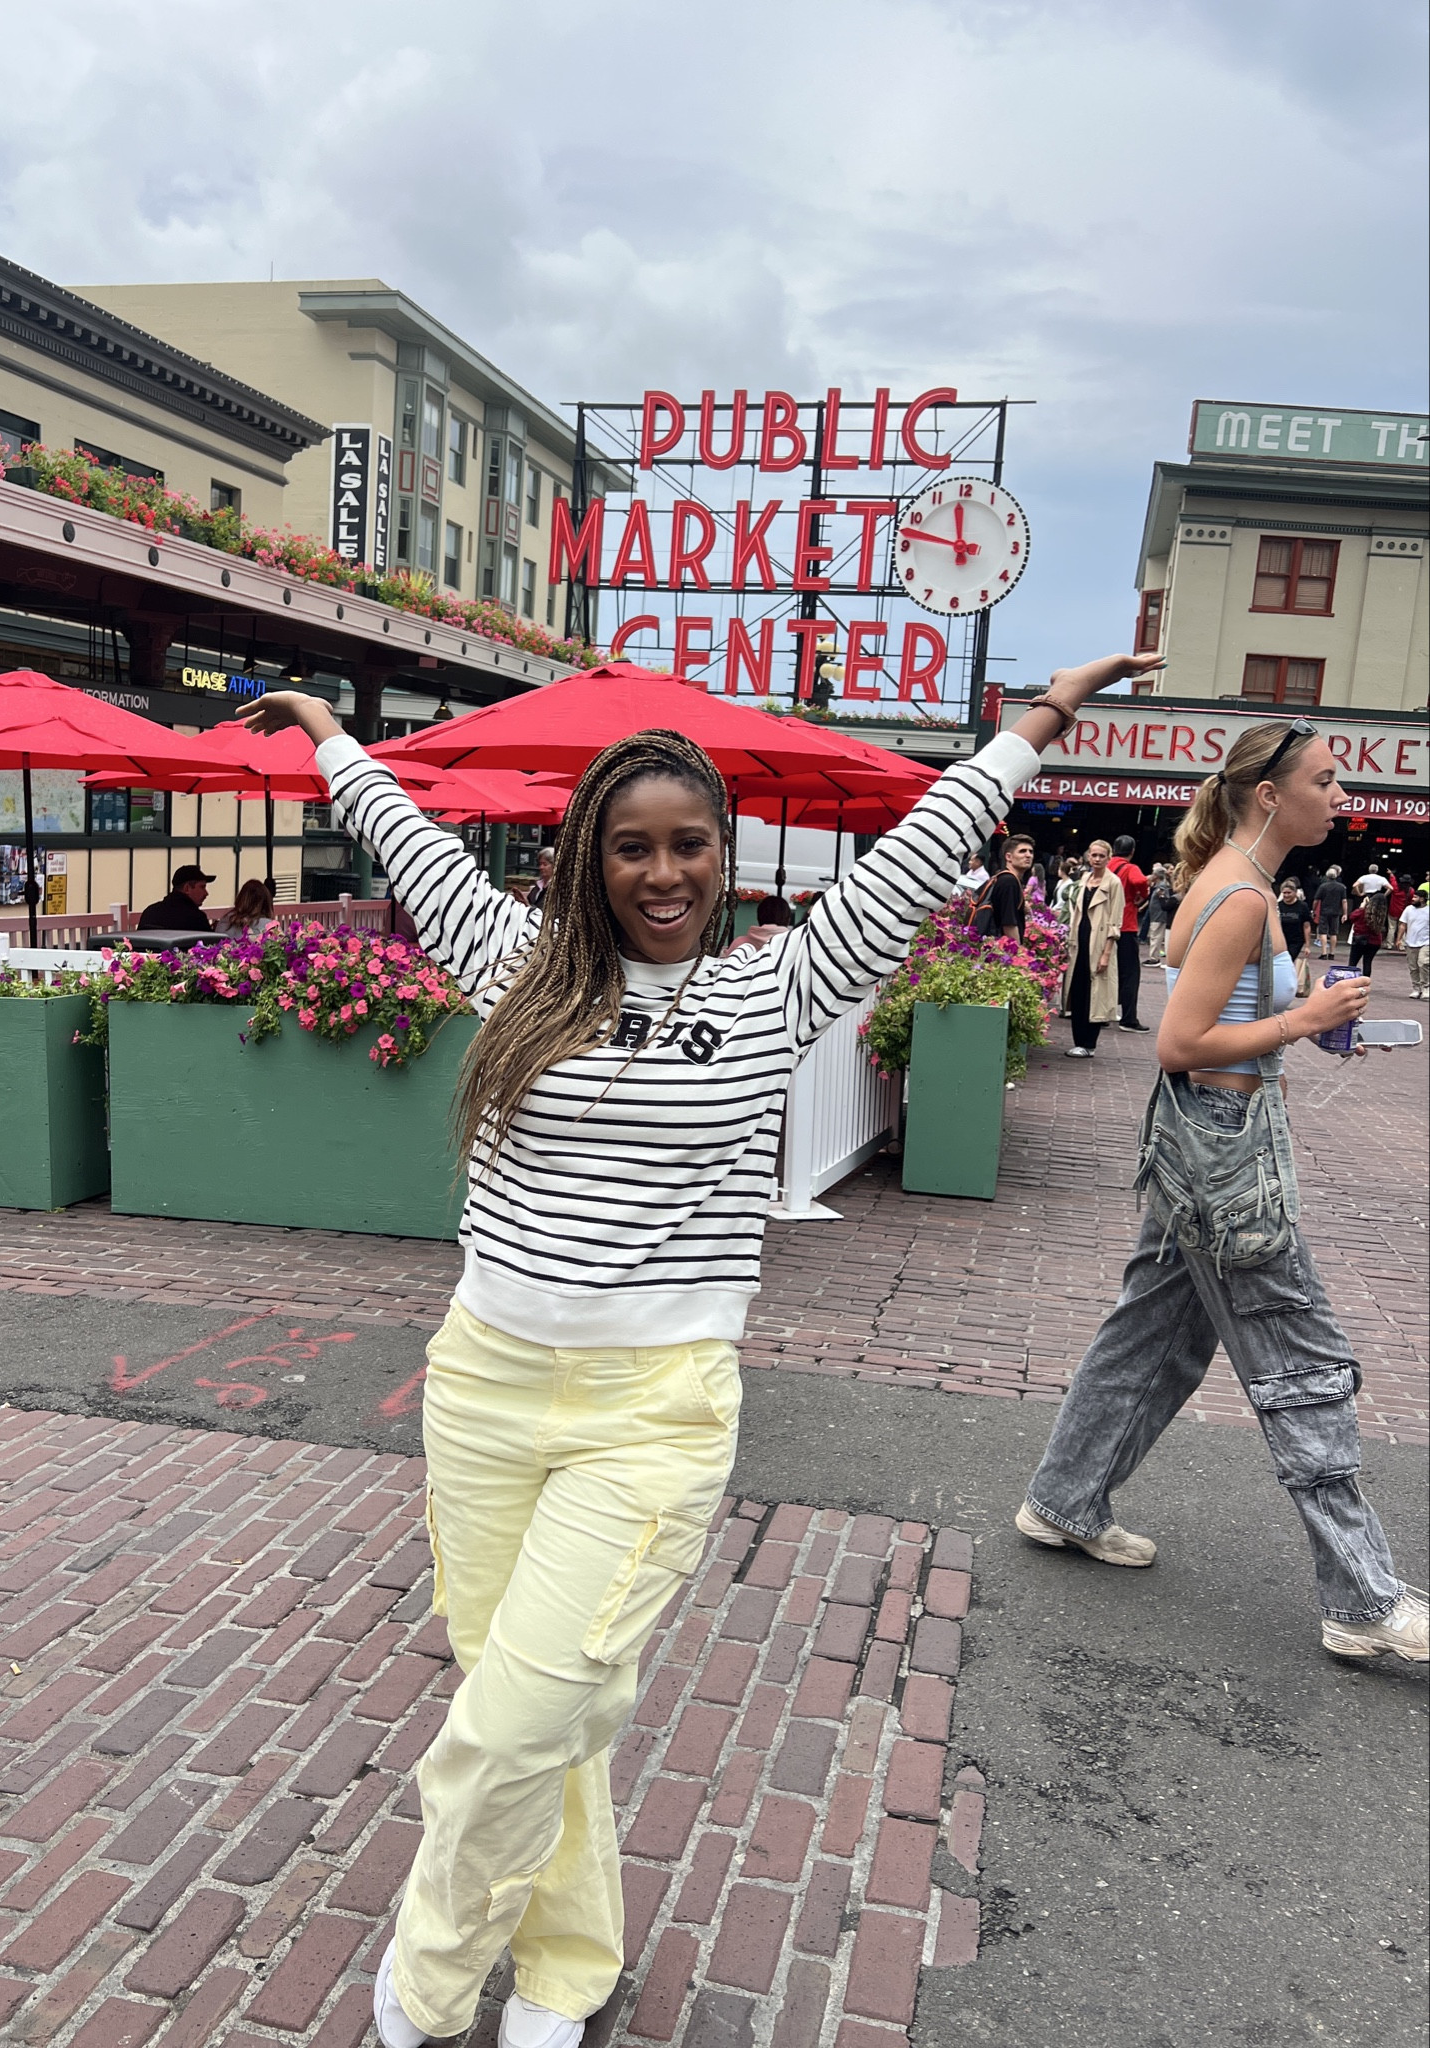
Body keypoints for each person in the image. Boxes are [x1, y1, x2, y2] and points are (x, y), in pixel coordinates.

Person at [239, 652, 1158, 2048]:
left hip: (649, 1415)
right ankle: (566, 1967)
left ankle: (418, 1997)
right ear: (586, 859)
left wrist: (1030, 728)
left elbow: (916, 855)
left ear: (723, 856)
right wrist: (330, 740)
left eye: (686, 845)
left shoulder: (772, 992)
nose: (659, 874)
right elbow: (404, 840)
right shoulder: (516, 967)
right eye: (629, 847)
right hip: (484, 1387)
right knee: (526, 1712)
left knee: (508, 1727)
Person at [1019, 719, 1424, 1665]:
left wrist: (1306, 1022)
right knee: (1300, 1359)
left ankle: (1064, 1499)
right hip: (1224, 1149)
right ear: (1269, 795)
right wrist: (1303, 1018)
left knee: (1151, 1333)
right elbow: (1179, 1041)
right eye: (1326, 781)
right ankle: (1361, 1599)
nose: (1342, 796)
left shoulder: (1238, 881)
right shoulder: (1239, 894)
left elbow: (1227, 1019)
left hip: (1206, 1143)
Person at [1061, 840, 1124, 1058]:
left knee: (1094, 994)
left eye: (1101, 856)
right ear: (1088, 856)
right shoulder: (1084, 879)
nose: (1097, 859)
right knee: (1077, 989)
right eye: (1094, 855)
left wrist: (1106, 953)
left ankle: (1089, 1043)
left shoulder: (1114, 883)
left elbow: (1116, 921)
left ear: (1108, 857)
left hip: (1098, 944)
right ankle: (1078, 1040)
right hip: (1078, 942)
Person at [1106, 834, 1149, 1031]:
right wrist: (1142, 895)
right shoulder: (1130, 868)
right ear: (1132, 851)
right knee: (1130, 973)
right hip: (1126, 924)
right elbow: (1140, 881)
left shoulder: (1106, 866)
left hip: (1104, 924)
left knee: (1104, 970)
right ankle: (1128, 1018)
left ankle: (1102, 1012)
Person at [974, 831, 1034, 941]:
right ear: (1008, 857)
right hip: (1000, 949)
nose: (1028, 855)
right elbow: (1009, 924)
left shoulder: (1001, 877)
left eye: (1031, 851)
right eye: (1022, 851)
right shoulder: (1009, 882)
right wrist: (1019, 954)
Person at [137, 863, 214, 932]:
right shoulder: (196, 918)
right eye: (202, 887)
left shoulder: (150, 912)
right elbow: (210, 945)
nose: (206, 893)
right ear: (187, 888)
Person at [1277, 878, 1313, 996]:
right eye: (1284, 893)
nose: (1286, 895)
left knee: (1288, 961)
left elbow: (1306, 926)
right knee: (1280, 963)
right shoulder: (1278, 906)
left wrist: (1307, 945)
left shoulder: (1302, 906)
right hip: (1280, 939)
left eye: (1289, 893)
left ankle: (1286, 987)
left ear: (1295, 892)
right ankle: (1282, 985)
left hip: (1296, 940)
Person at [1347, 887, 1388, 974]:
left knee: (1352, 962)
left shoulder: (1364, 912)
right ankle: (1365, 982)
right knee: (1367, 962)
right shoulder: (1381, 914)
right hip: (1375, 941)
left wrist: (1362, 907)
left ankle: (1350, 980)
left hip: (1360, 938)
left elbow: (1352, 917)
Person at [1145, 862, 1177, 964]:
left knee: (1156, 936)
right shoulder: (1159, 885)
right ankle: (1154, 956)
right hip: (1156, 915)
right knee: (1155, 935)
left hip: (1158, 915)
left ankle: (1154, 958)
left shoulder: (1162, 886)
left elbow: (1164, 898)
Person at [1403, 884, 1430, 999]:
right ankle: (1416, 988)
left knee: (1423, 963)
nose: (1412, 899)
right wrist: (1399, 939)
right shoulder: (1409, 909)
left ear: (1422, 899)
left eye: (1415, 897)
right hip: (1411, 941)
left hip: (1426, 942)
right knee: (1413, 967)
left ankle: (1426, 988)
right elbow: (1402, 924)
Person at [1312, 866, 1347, 958]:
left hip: (1324, 911)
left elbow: (1316, 900)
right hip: (1335, 912)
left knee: (1323, 932)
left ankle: (1324, 953)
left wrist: (1313, 910)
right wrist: (1345, 913)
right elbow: (1344, 901)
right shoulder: (1341, 887)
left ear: (1327, 876)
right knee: (1333, 933)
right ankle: (1332, 953)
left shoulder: (1323, 886)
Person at [1385, 868, 1408, 949]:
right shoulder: (1411, 891)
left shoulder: (1396, 888)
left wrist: (1391, 874)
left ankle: (1389, 944)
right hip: (1403, 911)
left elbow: (1393, 881)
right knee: (1402, 928)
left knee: (1391, 928)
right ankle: (1401, 945)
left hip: (1393, 910)